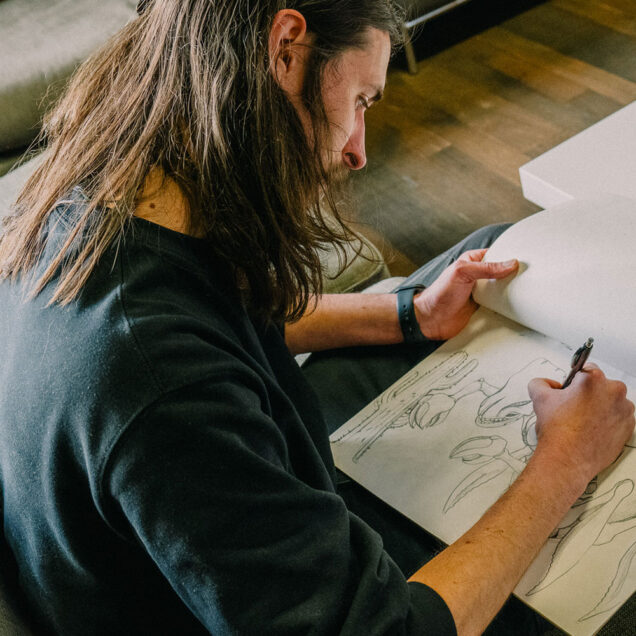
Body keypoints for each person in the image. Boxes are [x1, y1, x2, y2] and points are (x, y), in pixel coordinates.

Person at [0, 1, 632, 634]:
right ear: (286, 49)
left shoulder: (105, 182)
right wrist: (566, 463)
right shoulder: (163, 385)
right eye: (360, 100)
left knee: (495, 242)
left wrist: (406, 314)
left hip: (186, 552)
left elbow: (218, 317)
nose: (358, 151)